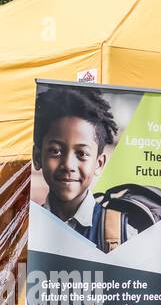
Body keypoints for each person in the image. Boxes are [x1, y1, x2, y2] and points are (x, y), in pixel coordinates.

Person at [31, 85, 138, 252]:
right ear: (38, 157)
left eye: (81, 153)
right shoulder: (23, 231)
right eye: (55, 151)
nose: (68, 165)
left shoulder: (124, 237)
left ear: (98, 164)